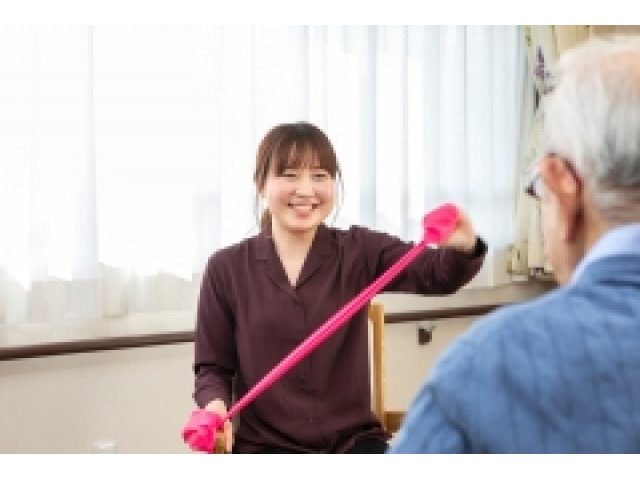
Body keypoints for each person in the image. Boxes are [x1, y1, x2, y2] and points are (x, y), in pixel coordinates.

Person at [388, 35, 640, 454]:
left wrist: (466, 249)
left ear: (563, 184)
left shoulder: (488, 364)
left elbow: (433, 273)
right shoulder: (236, 263)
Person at [191, 121, 487, 454]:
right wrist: (214, 408)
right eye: (290, 175)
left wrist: (463, 245)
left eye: (320, 176)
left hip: (353, 444)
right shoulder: (225, 268)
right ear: (261, 184)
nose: (306, 190)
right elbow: (213, 367)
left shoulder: (360, 249)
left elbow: (437, 275)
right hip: (266, 448)